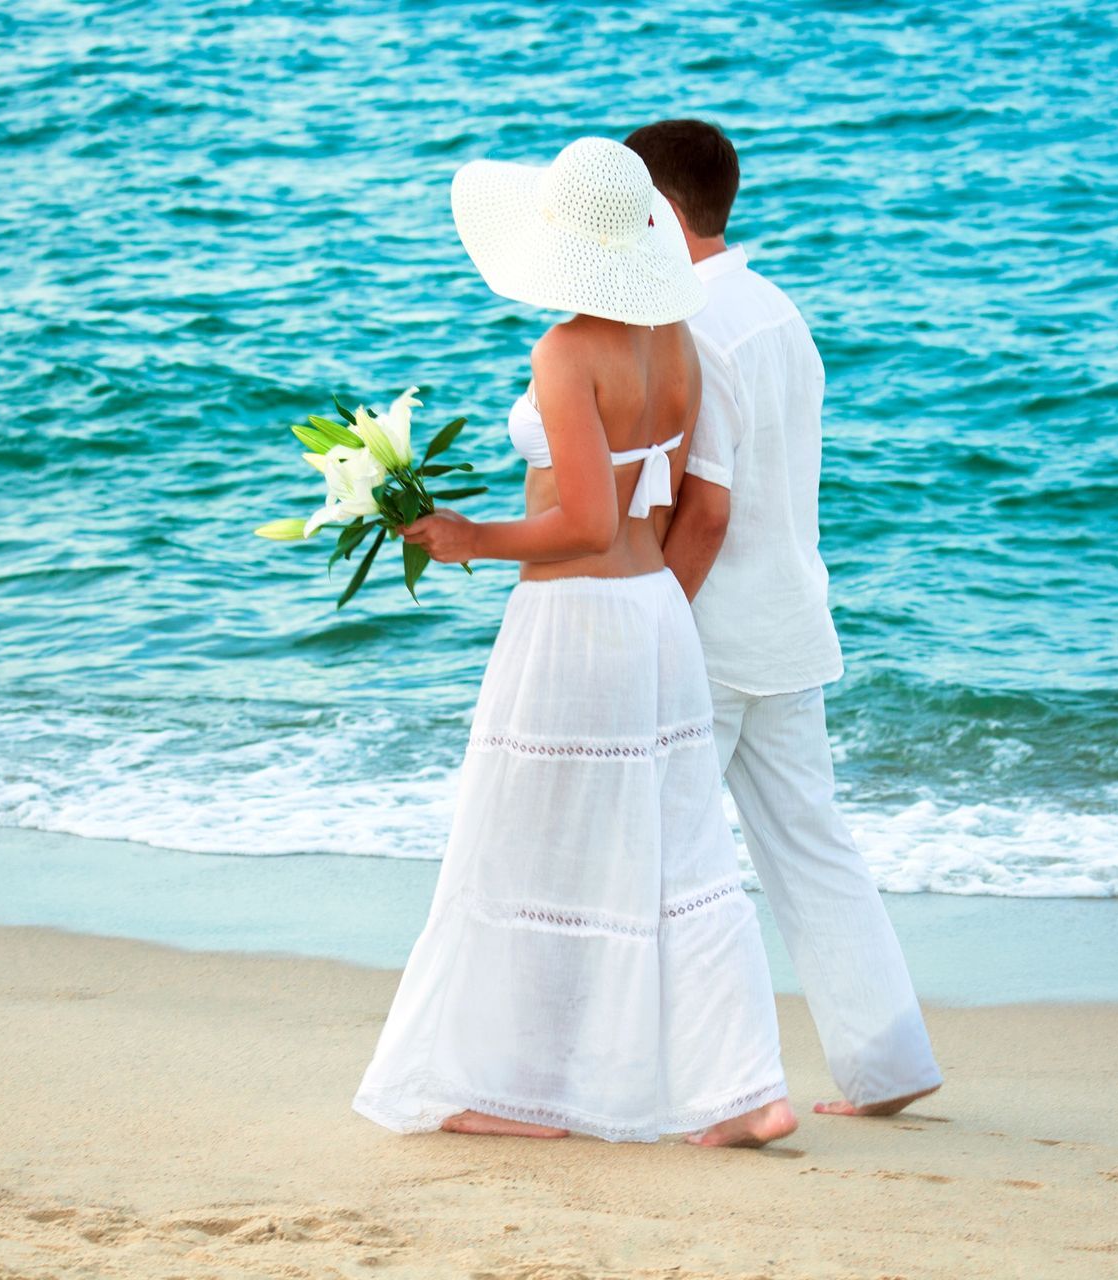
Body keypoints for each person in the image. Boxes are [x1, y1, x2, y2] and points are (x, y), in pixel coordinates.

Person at [352, 137, 798, 1148]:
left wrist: (471, 538)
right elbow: (681, 502)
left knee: (519, 844)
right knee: (684, 856)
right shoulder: (678, 338)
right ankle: (746, 1091)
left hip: (575, 618)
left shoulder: (565, 352)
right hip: (656, 619)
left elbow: (587, 522)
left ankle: (500, 1088)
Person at [625, 119, 944, 1117]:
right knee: (811, 843)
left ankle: (700, 1083)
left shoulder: (697, 326)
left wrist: (655, 619)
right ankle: (888, 1061)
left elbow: (708, 508)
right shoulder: (779, 311)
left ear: (665, 213)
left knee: (663, 858)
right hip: (792, 617)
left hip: (716, 629)